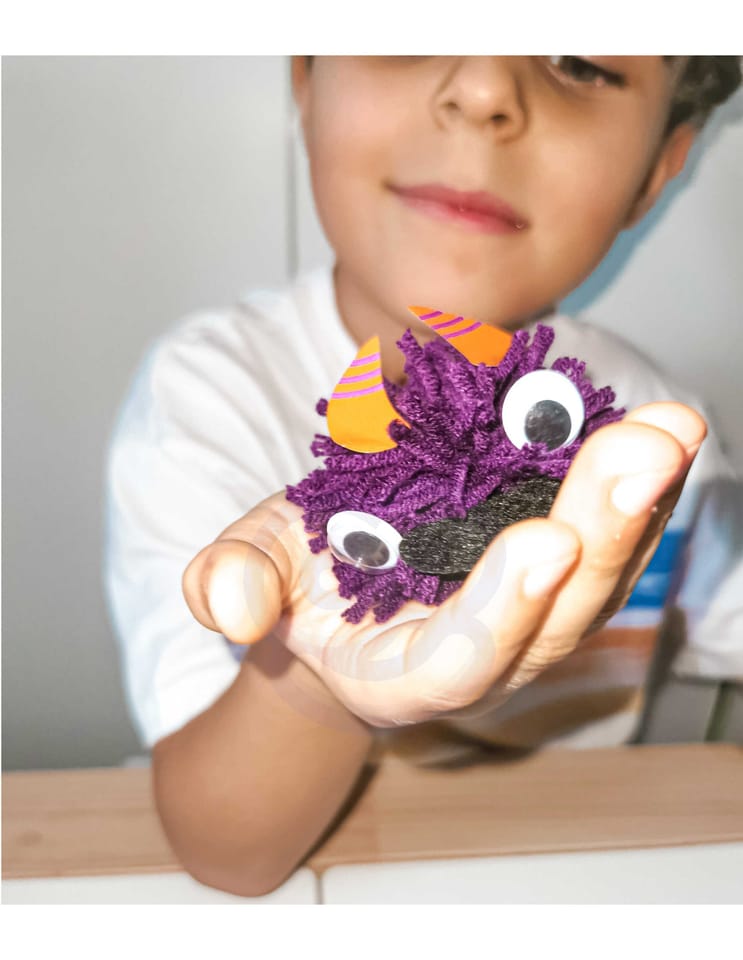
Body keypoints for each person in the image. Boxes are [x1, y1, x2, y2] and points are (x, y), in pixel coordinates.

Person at [104, 56, 742, 896]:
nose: (482, 92)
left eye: (579, 61)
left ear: (658, 166)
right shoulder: (211, 392)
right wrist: (318, 680)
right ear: (305, 79)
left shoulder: (652, 432)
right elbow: (228, 851)